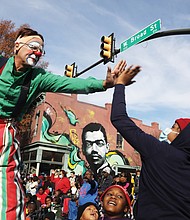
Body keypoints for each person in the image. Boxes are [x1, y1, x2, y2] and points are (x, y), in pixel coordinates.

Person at [0, 27, 125, 219]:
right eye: (33, 46)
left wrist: (103, 84)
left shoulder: (38, 77)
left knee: (9, 189)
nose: (37, 53)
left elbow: (71, 84)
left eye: (41, 50)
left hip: (5, 135)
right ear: (17, 45)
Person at [110, 61, 190, 219]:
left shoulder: (159, 151)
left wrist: (120, 84)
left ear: (182, 135)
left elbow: (119, 118)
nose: (169, 130)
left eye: (174, 127)